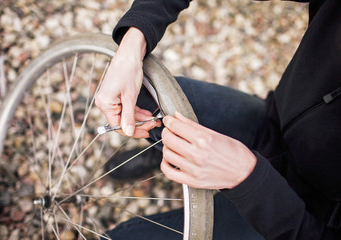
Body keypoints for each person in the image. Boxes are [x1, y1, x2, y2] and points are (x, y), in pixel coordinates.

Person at [95, 0, 341, 239]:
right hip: (273, 123)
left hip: (300, 214)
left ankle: (184, 154)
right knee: (140, 97)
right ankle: (167, 148)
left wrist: (248, 179)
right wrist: (133, 42)